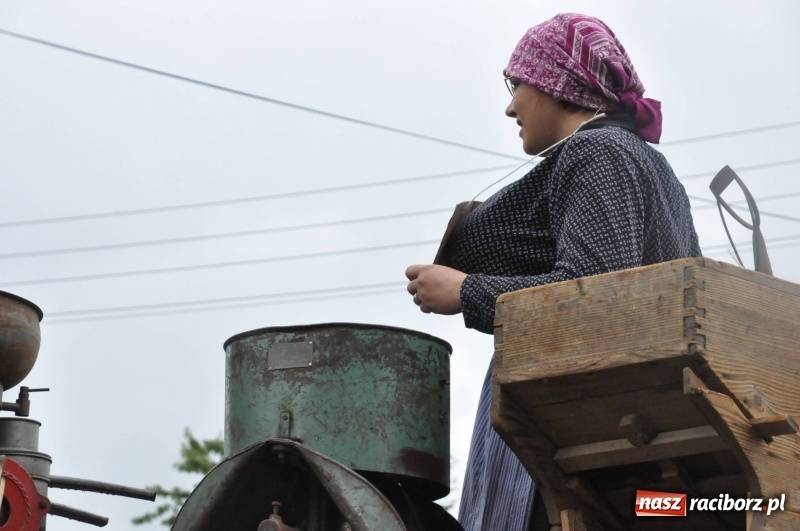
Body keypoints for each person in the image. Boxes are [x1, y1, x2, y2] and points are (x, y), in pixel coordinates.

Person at [405, 13, 702, 531]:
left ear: (551, 84)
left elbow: (597, 295)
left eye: (514, 83)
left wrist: (466, 291)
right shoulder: (648, 165)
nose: (509, 105)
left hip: (582, 436)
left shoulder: (598, 151)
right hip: (635, 434)